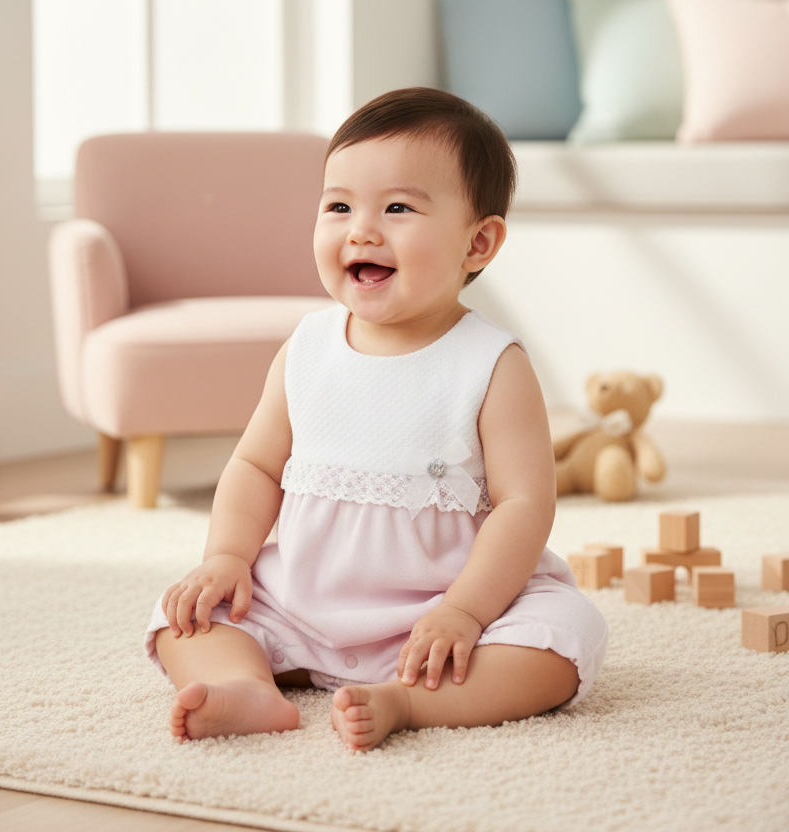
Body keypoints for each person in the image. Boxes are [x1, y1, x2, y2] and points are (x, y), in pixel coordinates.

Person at [144, 87, 608, 752]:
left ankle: (407, 702)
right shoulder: (306, 348)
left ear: (478, 242)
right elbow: (255, 465)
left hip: (443, 610)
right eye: (338, 206)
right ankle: (247, 686)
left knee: (564, 640)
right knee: (183, 615)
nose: (361, 230)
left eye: (397, 208)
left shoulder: (490, 364)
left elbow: (525, 505)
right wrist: (226, 557)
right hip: (304, 601)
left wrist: (465, 611)